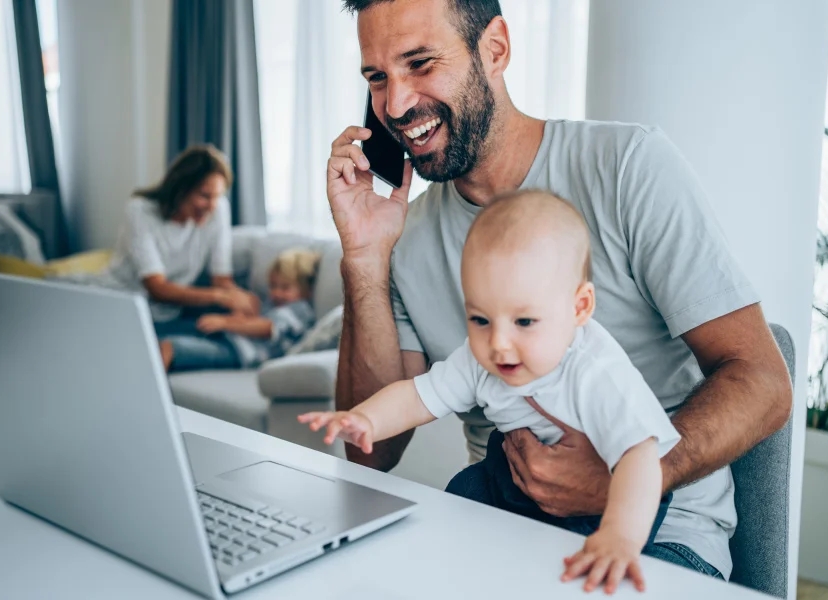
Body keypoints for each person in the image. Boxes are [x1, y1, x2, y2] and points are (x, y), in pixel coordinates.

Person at [328, 0, 792, 582]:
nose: (395, 105)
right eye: (377, 78)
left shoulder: (629, 169)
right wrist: (365, 260)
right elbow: (371, 454)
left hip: (660, 537)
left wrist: (622, 476)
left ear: (495, 48)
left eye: (420, 64)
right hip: (500, 524)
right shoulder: (402, 236)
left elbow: (765, 381)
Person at [301, 191, 680, 593]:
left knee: (580, 568)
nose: (498, 343)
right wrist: (366, 419)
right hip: (512, 482)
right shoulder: (483, 356)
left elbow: (640, 458)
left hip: (611, 502)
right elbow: (417, 396)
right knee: (461, 493)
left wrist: (620, 535)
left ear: (579, 307)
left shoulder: (596, 373)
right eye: (479, 318)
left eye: (524, 321)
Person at [104, 144, 260, 344]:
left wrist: (240, 299)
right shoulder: (139, 211)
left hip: (169, 316)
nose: (212, 206)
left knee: (222, 335)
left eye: (217, 196)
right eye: (204, 196)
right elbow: (157, 288)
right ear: (180, 188)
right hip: (124, 307)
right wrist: (221, 297)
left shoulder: (219, 209)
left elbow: (221, 278)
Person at [160, 248, 320, 372]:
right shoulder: (272, 305)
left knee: (171, 347)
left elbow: (267, 328)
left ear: (307, 290)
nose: (276, 293)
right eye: (273, 286)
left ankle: (149, 395)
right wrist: (240, 315)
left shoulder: (300, 310)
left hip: (241, 353)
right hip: (228, 340)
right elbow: (254, 321)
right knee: (167, 336)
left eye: (285, 288)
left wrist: (225, 323)